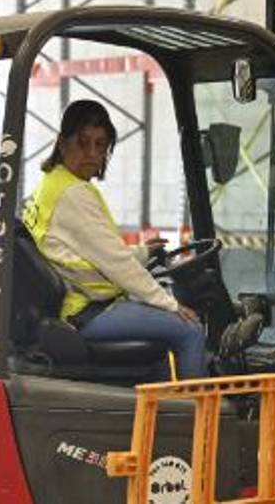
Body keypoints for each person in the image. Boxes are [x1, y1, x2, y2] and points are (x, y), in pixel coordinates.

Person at [22, 100, 208, 379]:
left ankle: (161, 415)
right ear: (62, 143)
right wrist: (170, 304)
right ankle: (199, 421)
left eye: (101, 145)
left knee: (159, 351)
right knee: (191, 331)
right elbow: (116, 262)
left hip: (79, 304)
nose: (92, 154)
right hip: (86, 309)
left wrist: (143, 253)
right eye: (83, 143)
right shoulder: (73, 194)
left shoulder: (51, 184)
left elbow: (91, 253)